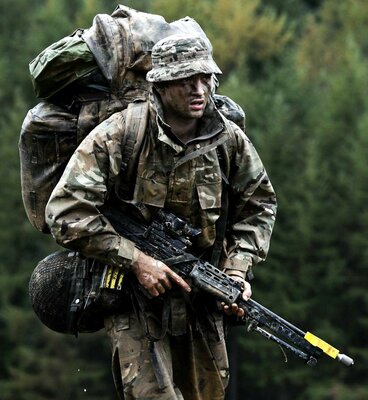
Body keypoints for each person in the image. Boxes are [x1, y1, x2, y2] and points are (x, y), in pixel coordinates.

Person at [45, 33, 277, 399]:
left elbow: (258, 207)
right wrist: (137, 260)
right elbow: (64, 211)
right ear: (162, 84)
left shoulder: (228, 140)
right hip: (134, 300)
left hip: (201, 300)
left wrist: (235, 272)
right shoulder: (122, 134)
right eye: (187, 81)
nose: (199, 89)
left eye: (206, 78)